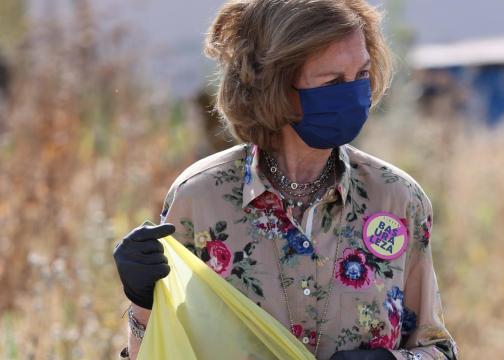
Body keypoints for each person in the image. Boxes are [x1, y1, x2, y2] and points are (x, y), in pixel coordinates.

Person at [113, 0, 459, 359]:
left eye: (361, 75)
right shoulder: (200, 200)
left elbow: (438, 349)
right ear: (277, 86)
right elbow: (162, 352)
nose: (355, 94)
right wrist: (142, 302)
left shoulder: (397, 199)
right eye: (334, 81)